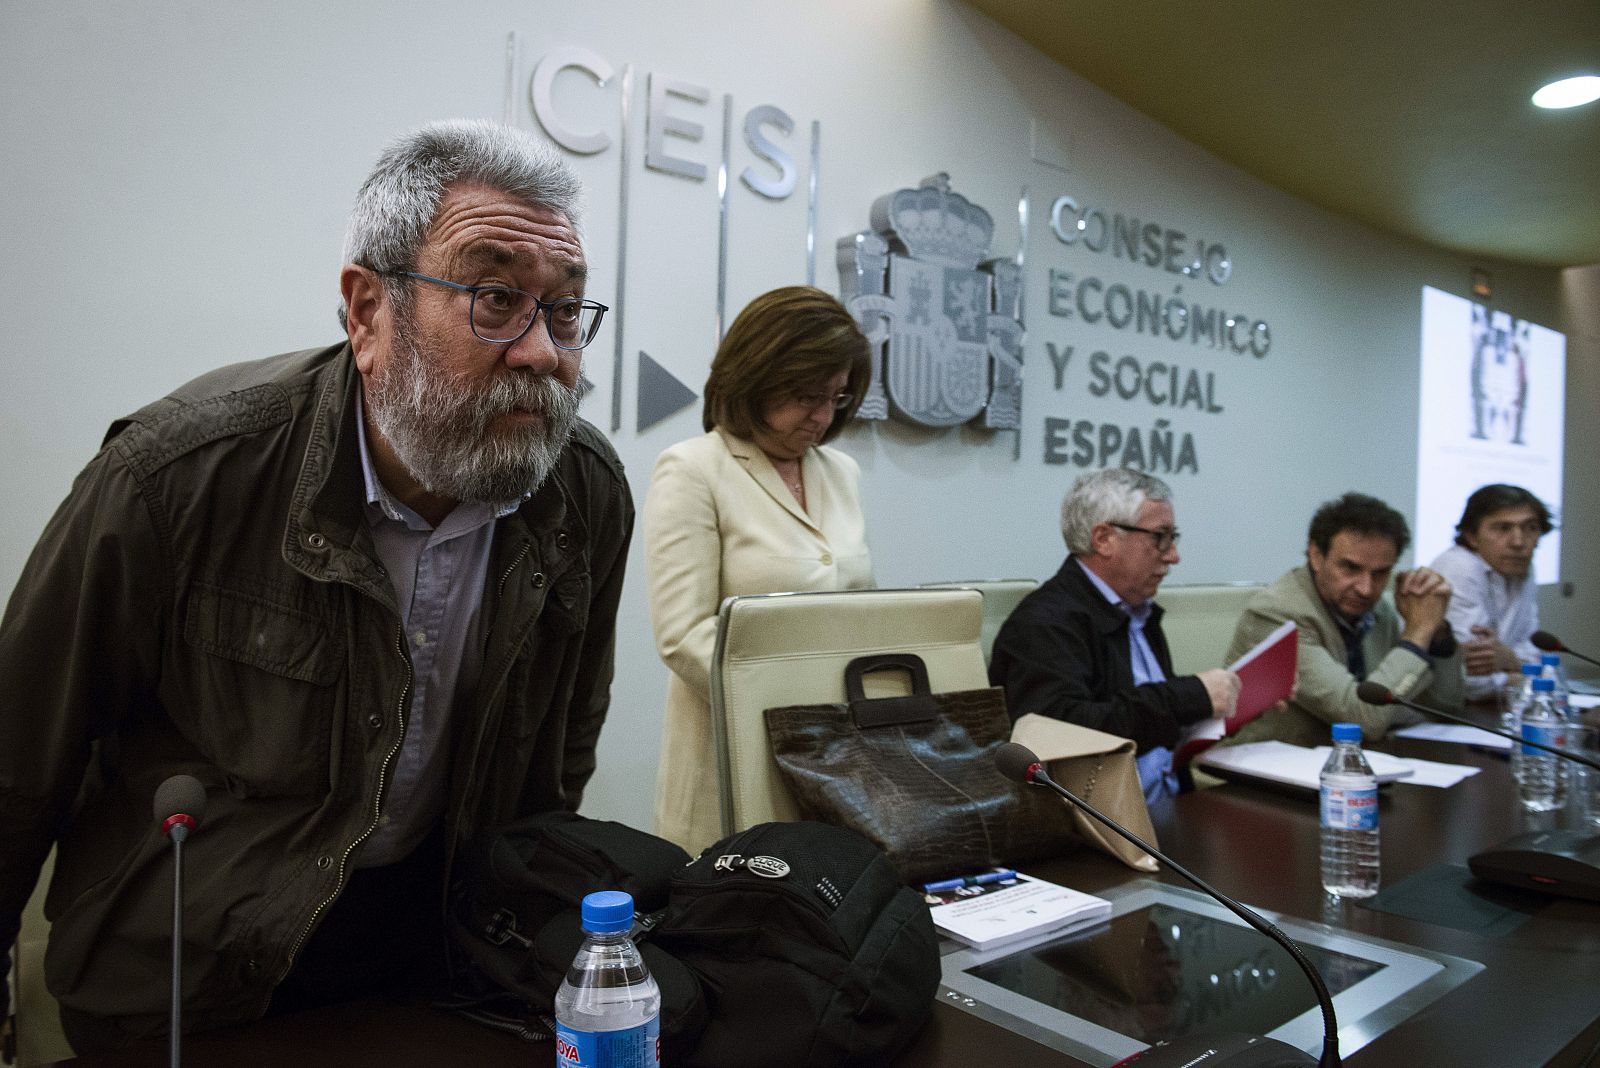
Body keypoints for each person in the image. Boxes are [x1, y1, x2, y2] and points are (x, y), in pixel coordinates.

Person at [0, 120, 632, 1051]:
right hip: (191, 976)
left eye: (565, 310)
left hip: (438, 965)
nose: (544, 353)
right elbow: (19, 752)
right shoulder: (178, 475)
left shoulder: (582, 491)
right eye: (496, 297)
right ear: (369, 312)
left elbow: (561, 748)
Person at [645, 286, 873, 854]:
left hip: (839, 761)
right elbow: (683, 636)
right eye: (805, 396)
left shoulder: (841, 472)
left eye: (837, 399)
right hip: (733, 757)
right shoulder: (694, 469)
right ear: (755, 376)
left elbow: (860, 609)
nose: (822, 417)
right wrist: (801, 706)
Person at [989, 468, 1242, 804]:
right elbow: (1058, 733)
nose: (1173, 555)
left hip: (1168, 806)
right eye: (1159, 537)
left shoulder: (1139, 610)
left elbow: (1146, 719)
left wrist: (1225, 706)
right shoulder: (1043, 624)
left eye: (1173, 536)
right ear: (1104, 539)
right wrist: (1189, 696)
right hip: (1099, 830)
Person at [1225, 492, 1463, 747]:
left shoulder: (1378, 610)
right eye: (1350, 568)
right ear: (1316, 555)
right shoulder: (1276, 613)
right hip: (1260, 773)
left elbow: (1447, 706)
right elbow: (1362, 719)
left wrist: (1437, 634)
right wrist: (1417, 633)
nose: (1366, 589)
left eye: (1381, 573)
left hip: (1349, 763)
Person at [1429, 484, 1555, 701]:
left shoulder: (1522, 567)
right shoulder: (1458, 567)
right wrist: (1525, 674)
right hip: (1440, 710)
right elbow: (1469, 679)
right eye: (1502, 528)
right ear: (1471, 536)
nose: (1519, 542)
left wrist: (1512, 661)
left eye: (1530, 528)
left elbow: (1533, 653)